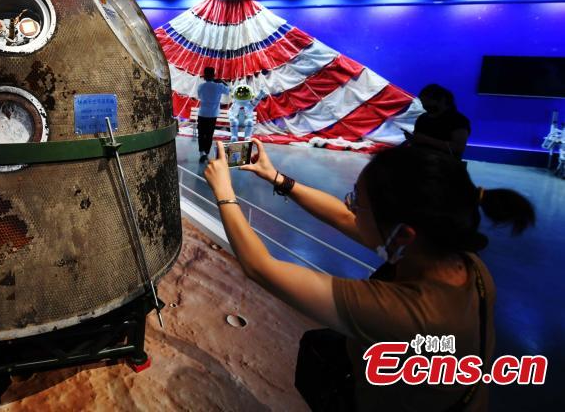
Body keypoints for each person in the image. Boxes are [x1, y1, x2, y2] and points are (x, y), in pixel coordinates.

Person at [203, 139, 534, 411]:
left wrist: (224, 192)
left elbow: (260, 267)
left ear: (403, 234)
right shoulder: (454, 254)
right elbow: (344, 218)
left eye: (357, 202)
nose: (350, 207)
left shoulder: (403, 312)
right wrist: (277, 178)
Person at [406, 84, 470, 159]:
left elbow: (458, 148)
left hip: (444, 162)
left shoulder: (459, 120)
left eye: (427, 101)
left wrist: (425, 139)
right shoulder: (422, 118)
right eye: (422, 102)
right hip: (421, 158)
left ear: (442, 101)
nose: (424, 105)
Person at [196, 67, 230, 162]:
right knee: (209, 134)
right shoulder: (219, 86)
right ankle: (207, 152)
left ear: (204, 76)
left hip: (202, 113)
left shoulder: (201, 86)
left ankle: (202, 152)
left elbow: (199, 96)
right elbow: (229, 90)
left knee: (201, 134)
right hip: (212, 115)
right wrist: (222, 81)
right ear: (214, 76)